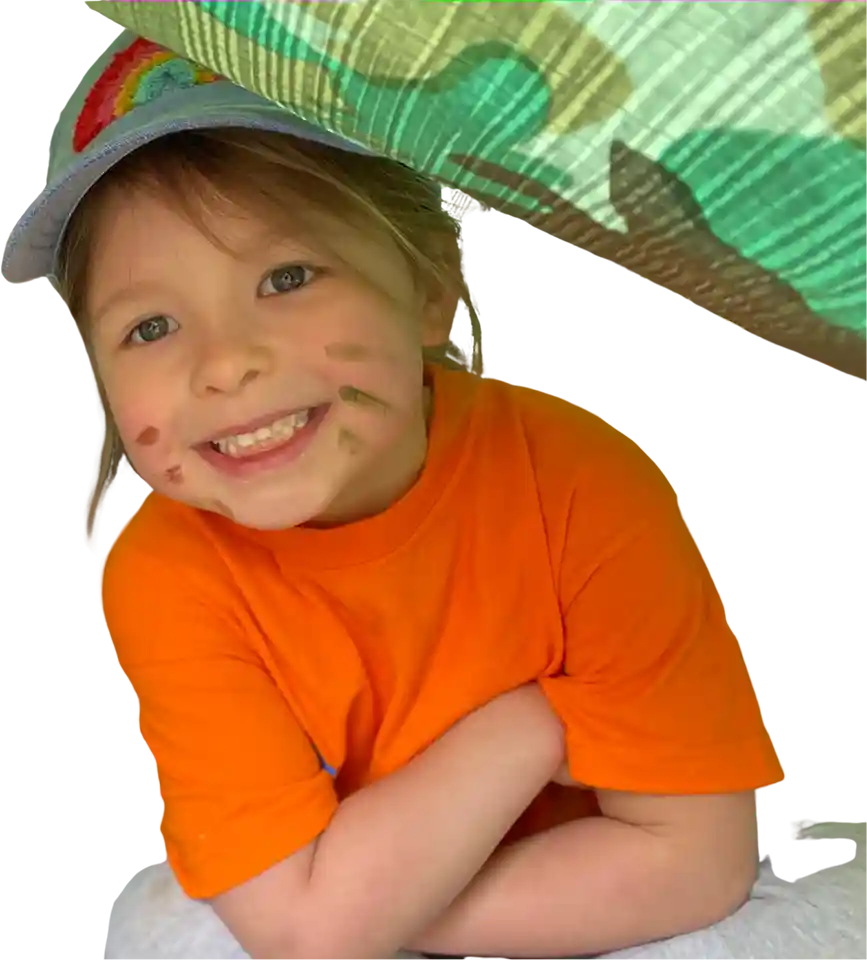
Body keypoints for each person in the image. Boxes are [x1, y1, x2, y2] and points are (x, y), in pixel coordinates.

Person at [3, 32, 783, 960]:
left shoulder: (580, 482)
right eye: (151, 325)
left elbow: (696, 865)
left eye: (286, 277)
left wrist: (359, 909)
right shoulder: (169, 575)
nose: (224, 363)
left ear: (429, 291)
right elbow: (302, 936)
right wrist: (529, 723)